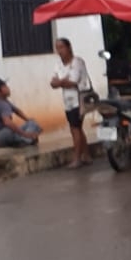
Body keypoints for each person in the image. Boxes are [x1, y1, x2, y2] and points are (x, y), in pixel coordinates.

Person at [50, 37, 94, 169]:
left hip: (79, 99)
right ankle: (86, 155)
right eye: (57, 48)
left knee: (75, 128)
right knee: (77, 128)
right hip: (68, 100)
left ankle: (77, 158)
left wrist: (61, 82)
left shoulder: (77, 62)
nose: (59, 51)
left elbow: (73, 82)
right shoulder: (58, 64)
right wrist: (62, 81)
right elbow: (53, 82)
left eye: (61, 47)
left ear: (68, 47)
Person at [0, 79, 42, 147]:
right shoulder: (2, 104)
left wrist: (28, 120)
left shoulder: (2, 102)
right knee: (14, 128)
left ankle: (24, 140)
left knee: (31, 123)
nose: (8, 88)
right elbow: (7, 122)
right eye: (4, 87)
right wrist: (24, 134)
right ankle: (26, 140)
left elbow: (17, 111)